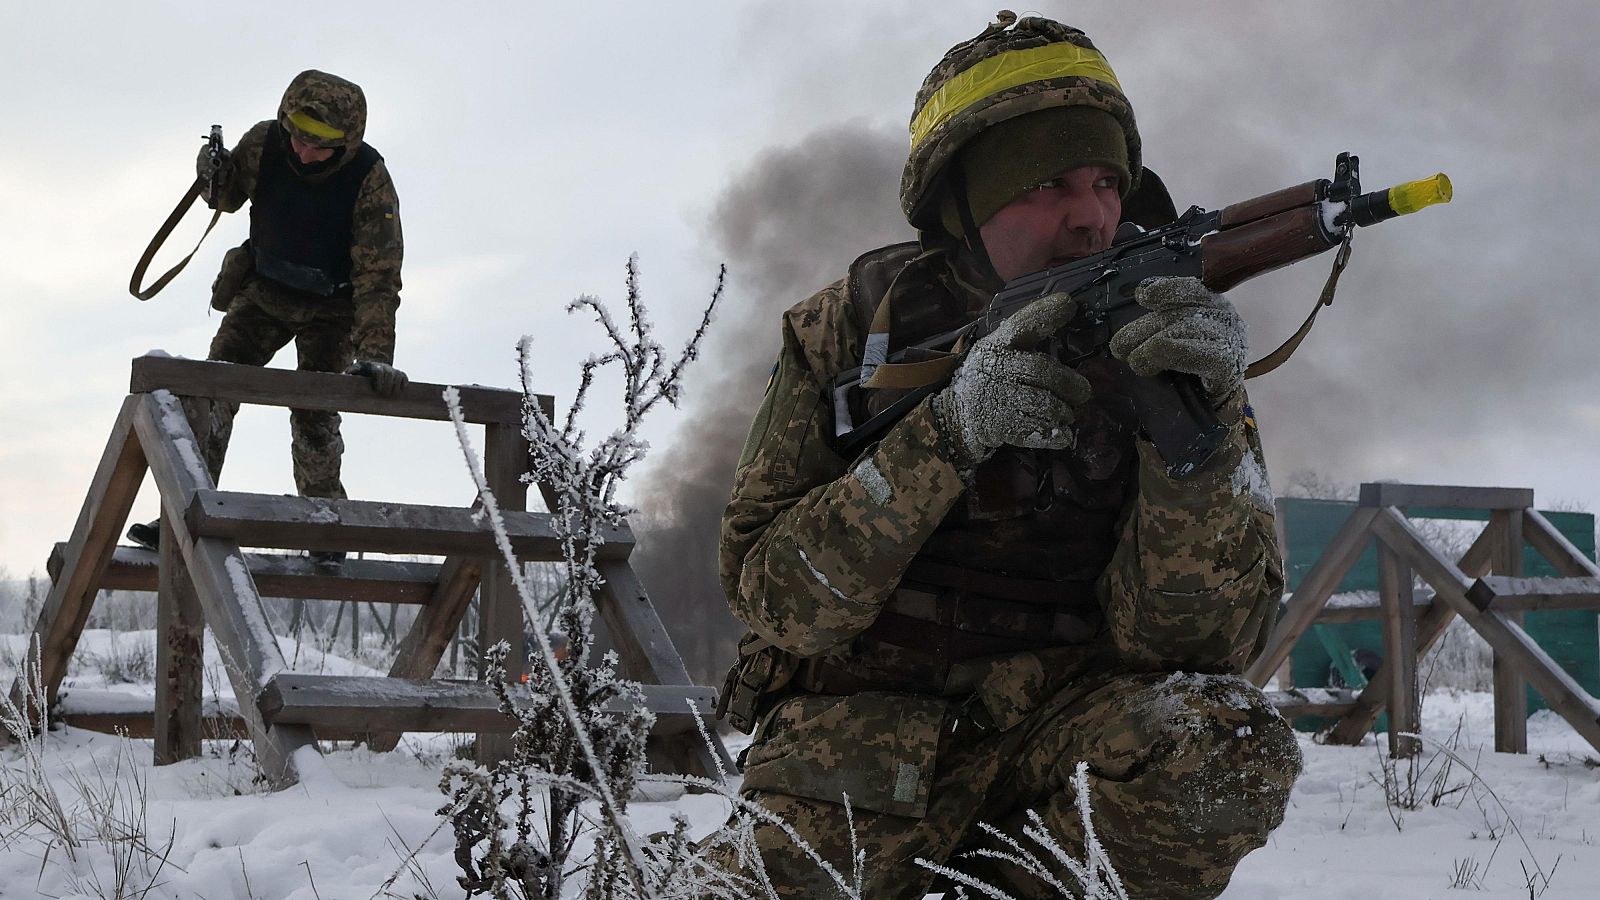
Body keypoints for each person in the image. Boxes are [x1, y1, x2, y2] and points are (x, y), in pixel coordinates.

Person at [713, 12, 1301, 899]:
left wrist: (1199, 431)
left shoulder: (1165, 333)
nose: (1091, 217)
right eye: (1050, 182)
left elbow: (1199, 648)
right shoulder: (848, 330)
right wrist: (944, 438)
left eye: (1109, 181)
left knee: (1231, 743)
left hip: (1065, 740)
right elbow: (775, 599)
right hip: (861, 754)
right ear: (964, 199)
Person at [127, 70, 406, 568]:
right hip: (264, 291)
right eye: (297, 134)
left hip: (332, 307)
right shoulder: (265, 142)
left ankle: (324, 526)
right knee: (211, 391)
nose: (302, 151)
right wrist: (212, 170)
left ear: (346, 141)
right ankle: (183, 508)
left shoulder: (370, 180)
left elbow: (378, 279)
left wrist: (374, 356)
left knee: (316, 411)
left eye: (318, 144)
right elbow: (226, 196)